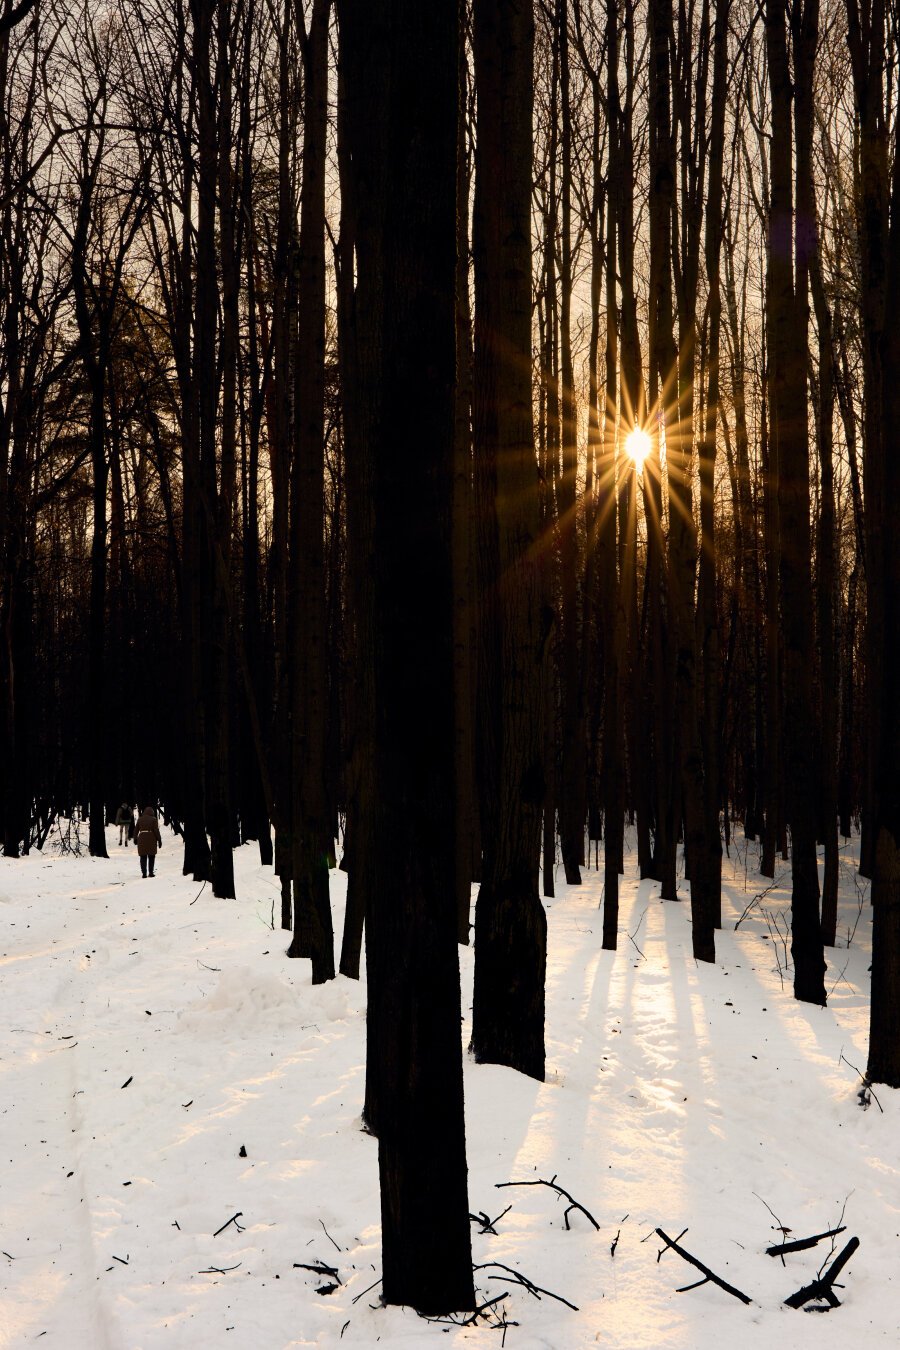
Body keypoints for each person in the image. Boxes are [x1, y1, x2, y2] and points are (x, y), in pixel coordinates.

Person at [135, 806, 162, 878]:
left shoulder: (140, 819)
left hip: (142, 838)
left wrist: (135, 838)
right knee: (151, 856)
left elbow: (136, 830)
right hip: (151, 838)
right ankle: (151, 872)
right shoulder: (154, 819)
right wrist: (159, 840)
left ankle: (144, 873)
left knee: (143, 856)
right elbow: (156, 830)